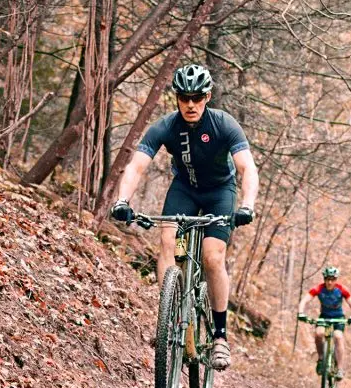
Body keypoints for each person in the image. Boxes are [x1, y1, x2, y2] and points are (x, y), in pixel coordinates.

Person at [109, 63, 258, 371]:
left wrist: (247, 204)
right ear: (176, 98)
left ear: (208, 96)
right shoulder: (165, 126)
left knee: (212, 257)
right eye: (185, 97)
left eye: (198, 97)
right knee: (166, 240)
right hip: (185, 190)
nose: (191, 104)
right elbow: (137, 166)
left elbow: (247, 168)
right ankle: (169, 318)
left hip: (220, 192)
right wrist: (122, 199)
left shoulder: (224, 124)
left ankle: (219, 336)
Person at [297, 266, 351, 380]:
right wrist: (301, 312)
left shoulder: (341, 289)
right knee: (319, 334)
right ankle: (321, 359)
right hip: (324, 317)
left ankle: (339, 369)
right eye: (327, 279)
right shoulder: (319, 288)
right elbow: (305, 300)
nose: (330, 282)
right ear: (324, 279)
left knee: (338, 336)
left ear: (336, 280)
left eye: (332, 279)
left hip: (338, 318)